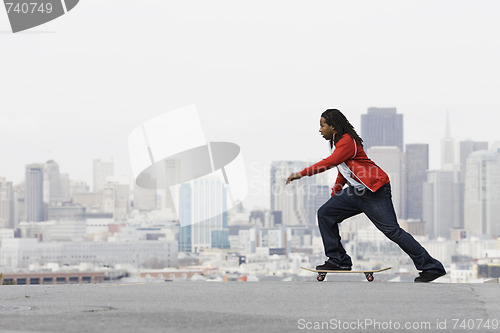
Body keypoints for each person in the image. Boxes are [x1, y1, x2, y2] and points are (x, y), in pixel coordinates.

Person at [286, 109, 446, 283]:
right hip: (357, 192)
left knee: (392, 231)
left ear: (333, 127)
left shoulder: (347, 141)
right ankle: (338, 260)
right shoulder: (336, 142)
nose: (320, 130)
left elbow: (331, 163)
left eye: (322, 125)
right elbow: (344, 170)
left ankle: (432, 267)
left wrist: (301, 173)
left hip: (375, 191)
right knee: (325, 213)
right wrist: (336, 192)